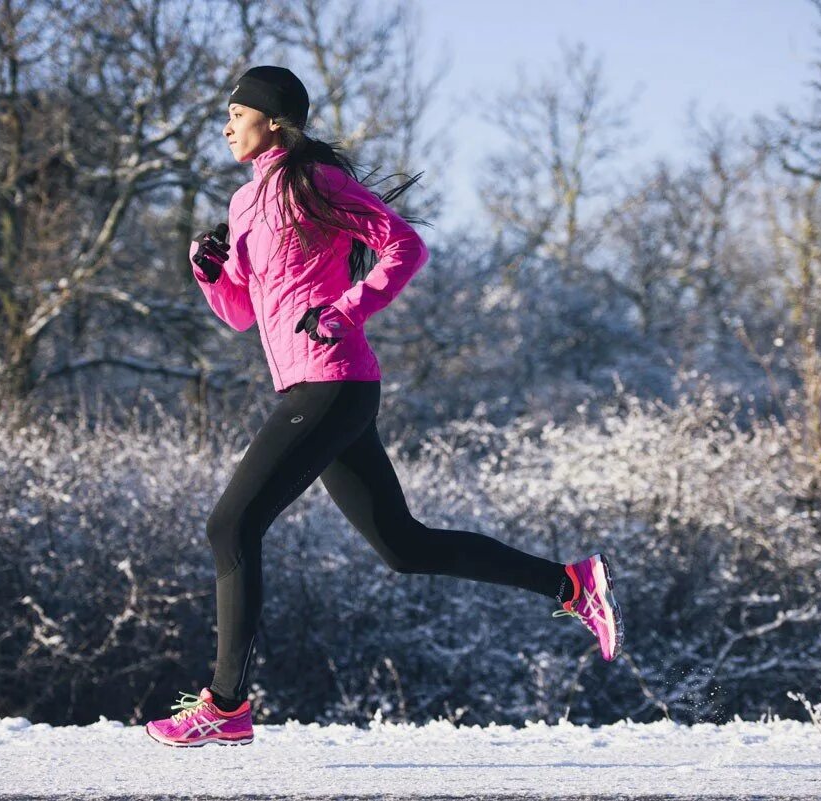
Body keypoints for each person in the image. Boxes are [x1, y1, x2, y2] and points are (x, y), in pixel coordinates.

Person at [144, 65, 624, 749]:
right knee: (403, 545)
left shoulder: (314, 182)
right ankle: (572, 583)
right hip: (309, 386)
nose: (225, 126)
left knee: (232, 525)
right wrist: (208, 271)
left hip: (334, 380)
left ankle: (226, 703)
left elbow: (406, 244)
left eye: (236, 113)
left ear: (273, 120)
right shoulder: (245, 203)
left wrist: (347, 307)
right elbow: (242, 315)